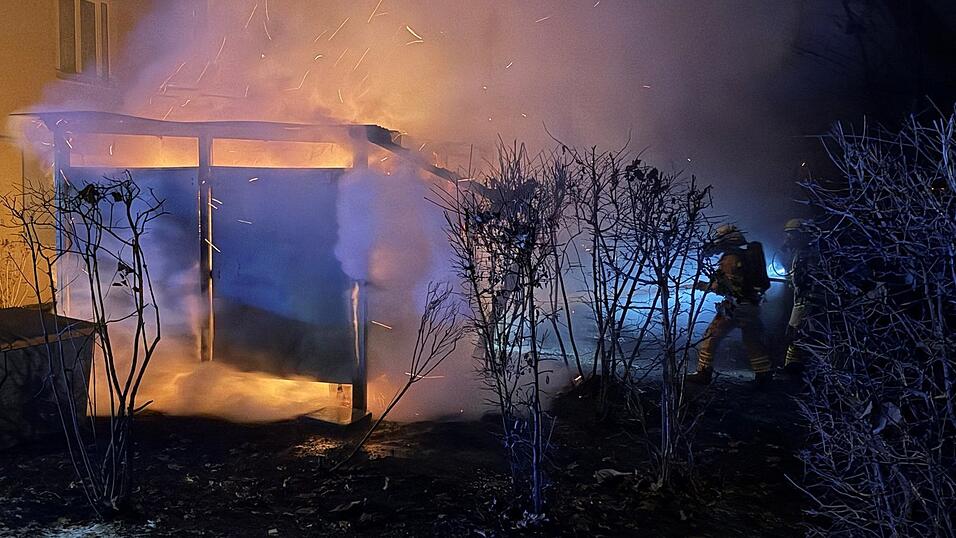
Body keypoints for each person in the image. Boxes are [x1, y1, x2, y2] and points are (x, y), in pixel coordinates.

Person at [687, 224, 773, 386]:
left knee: (711, 336)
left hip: (734, 307)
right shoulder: (745, 256)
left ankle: (704, 373)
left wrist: (705, 286)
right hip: (751, 306)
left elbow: (725, 286)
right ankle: (764, 375)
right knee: (753, 340)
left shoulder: (730, 259)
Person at [782, 218, 812, 377]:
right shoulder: (800, 253)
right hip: (801, 300)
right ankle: (793, 367)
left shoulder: (809, 254)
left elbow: (805, 279)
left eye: (792, 235)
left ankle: (795, 369)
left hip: (806, 301)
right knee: (795, 332)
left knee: (796, 333)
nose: (788, 239)